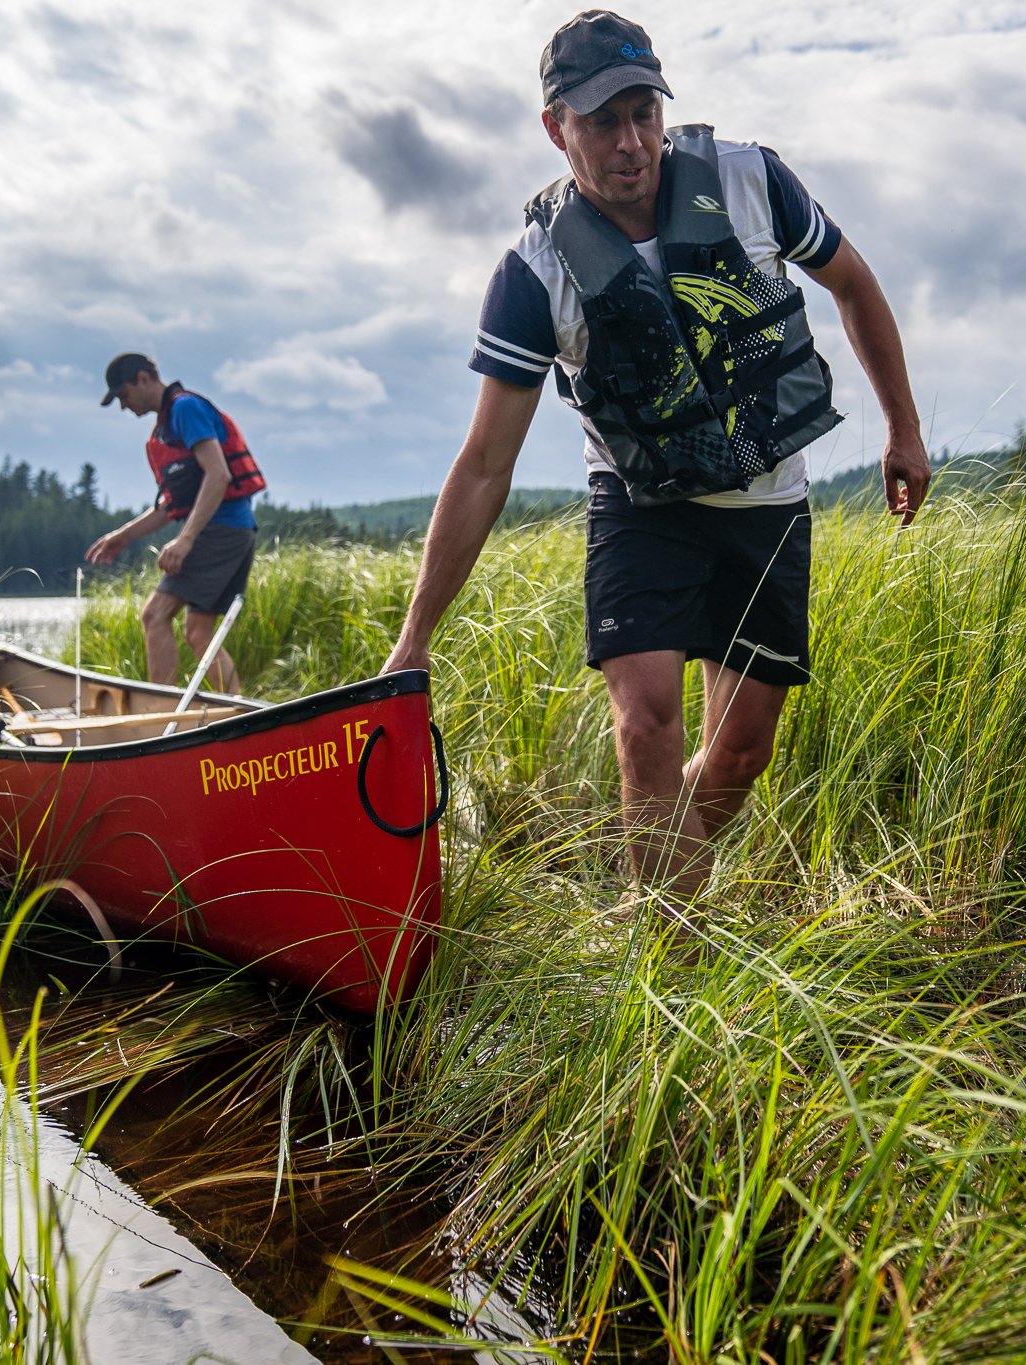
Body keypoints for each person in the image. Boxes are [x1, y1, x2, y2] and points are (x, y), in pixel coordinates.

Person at [383, 10, 930, 908]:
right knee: (646, 732)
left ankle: (652, 889)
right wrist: (415, 634)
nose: (632, 141)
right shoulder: (534, 274)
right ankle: (665, 964)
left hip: (767, 504)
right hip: (641, 507)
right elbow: (485, 463)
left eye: (644, 112)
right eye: (604, 121)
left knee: (744, 749)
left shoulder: (752, 181)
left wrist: (902, 430)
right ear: (557, 127)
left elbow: (853, 284)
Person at [86, 353, 264, 693]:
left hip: (221, 530)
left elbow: (219, 474)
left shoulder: (185, 409)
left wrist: (185, 540)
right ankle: (240, 713)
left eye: (123, 396)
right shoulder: (166, 427)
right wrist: (121, 536)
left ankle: (158, 712)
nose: (124, 407)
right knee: (198, 632)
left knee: (155, 616)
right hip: (232, 530)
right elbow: (172, 506)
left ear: (144, 378)